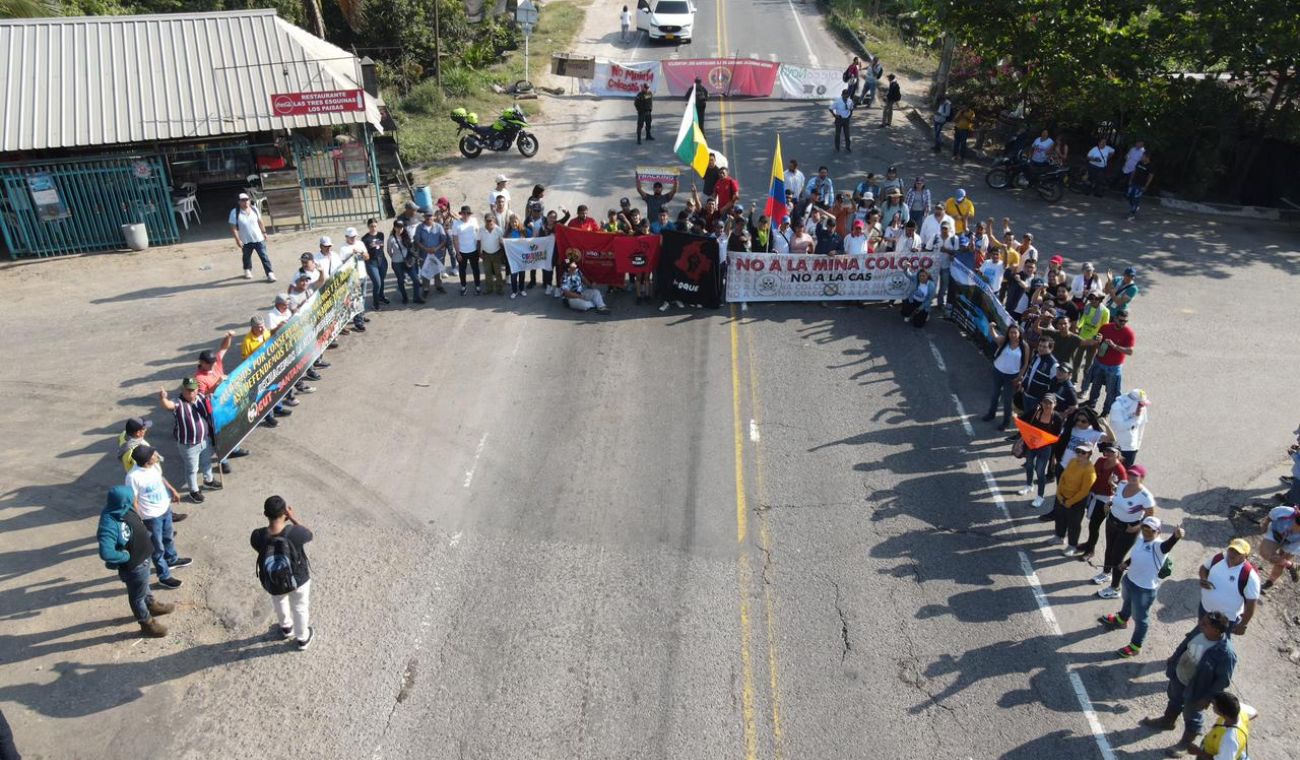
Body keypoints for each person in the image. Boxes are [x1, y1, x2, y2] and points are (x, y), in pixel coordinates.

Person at [1140, 612, 1237, 756]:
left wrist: (1207, 698)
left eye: (1205, 624)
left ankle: (1185, 744)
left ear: (1217, 631)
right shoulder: (1200, 631)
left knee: (1192, 714)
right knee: (1174, 698)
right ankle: (1168, 721)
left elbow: (1223, 680)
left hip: (1197, 689)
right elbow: (1185, 643)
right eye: (1202, 621)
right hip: (1180, 676)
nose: (1200, 625)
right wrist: (1174, 657)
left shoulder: (1225, 653)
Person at [1100, 517, 1185, 658]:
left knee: (1140, 619)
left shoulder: (1159, 546)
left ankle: (1135, 646)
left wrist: (1176, 537)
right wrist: (1126, 564)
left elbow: (1169, 544)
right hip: (1130, 580)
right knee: (1127, 602)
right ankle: (1121, 620)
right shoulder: (1140, 538)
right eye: (1144, 527)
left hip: (1144, 590)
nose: (1146, 531)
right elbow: (1136, 555)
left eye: (1150, 530)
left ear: (1157, 531)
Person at [97, 485, 173, 637]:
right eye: (133, 498)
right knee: (137, 597)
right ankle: (146, 623)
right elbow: (106, 552)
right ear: (124, 501)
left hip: (144, 558)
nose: (135, 499)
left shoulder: (124, 508)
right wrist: (125, 557)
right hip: (134, 566)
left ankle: (151, 605)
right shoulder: (109, 523)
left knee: (144, 586)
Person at [251, 495, 315, 650]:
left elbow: (259, 549)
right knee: (300, 606)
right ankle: (302, 638)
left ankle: (286, 628)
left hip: (274, 580)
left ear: (265, 514)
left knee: (279, 601)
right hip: (298, 579)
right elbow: (309, 534)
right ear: (285, 513)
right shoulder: (295, 533)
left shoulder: (257, 535)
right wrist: (293, 519)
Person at [124, 445, 189, 589]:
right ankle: (164, 576)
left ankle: (172, 559)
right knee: (157, 548)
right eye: (152, 454)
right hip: (151, 517)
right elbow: (133, 499)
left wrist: (172, 490)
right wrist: (138, 519)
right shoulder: (133, 477)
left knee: (168, 538)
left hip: (165, 510)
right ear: (147, 461)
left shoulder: (153, 466)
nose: (156, 455)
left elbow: (161, 478)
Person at [1096, 464, 1156, 596]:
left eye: (1135, 475)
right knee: (1109, 549)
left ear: (1142, 478)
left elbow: (1150, 516)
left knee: (1118, 557)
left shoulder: (1145, 496)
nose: (1131, 477)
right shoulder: (1123, 484)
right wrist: (1110, 501)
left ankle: (1114, 588)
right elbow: (1117, 495)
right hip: (1112, 521)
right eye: (1130, 474)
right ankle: (1106, 573)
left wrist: (1137, 527)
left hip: (1128, 529)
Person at [158, 378, 219, 503]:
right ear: (183, 390)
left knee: (207, 462)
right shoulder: (178, 403)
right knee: (192, 469)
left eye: (193, 390)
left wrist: (218, 384)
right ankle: (193, 491)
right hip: (189, 445)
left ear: (197, 389)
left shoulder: (200, 397)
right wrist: (163, 398)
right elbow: (168, 405)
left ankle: (209, 481)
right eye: (188, 390)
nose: (191, 393)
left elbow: (209, 393)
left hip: (204, 440)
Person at [1198, 539, 1260, 635]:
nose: (1232, 554)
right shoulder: (1219, 558)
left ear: (1245, 556)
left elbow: (1251, 604)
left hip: (1225, 620)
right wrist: (1203, 578)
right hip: (1205, 608)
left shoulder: (1249, 575)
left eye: (1238, 552)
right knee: (1201, 629)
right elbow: (1204, 568)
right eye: (1231, 550)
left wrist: (1243, 624)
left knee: (1217, 643)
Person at [1079, 441, 1127, 560]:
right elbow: (1092, 475)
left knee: (1094, 525)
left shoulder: (1120, 470)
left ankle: (1090, 550)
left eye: (1112, 452)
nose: (1109, 453)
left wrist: (1112, 485)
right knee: (1091, 524)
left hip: (1105, 499)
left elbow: (1123, 491)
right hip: (1093, 494)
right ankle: (1089, 543)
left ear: (1118, 454)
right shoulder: (1100, 461)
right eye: (1107, 451)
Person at [1083, 309, 1135, 415]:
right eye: (1121, 320)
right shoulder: (1105, 328)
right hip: (1099, 362)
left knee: (1111, 392)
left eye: (1125, 321)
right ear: (1115, 318)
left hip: (1114, 367)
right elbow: (1097, 343)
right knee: (1095, 386)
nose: (1123, 323)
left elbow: (1130, 351)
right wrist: (1097, 341)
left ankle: (1105, 412)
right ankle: (1091, 405)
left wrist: (1114, 346)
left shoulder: (1128, 333)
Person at [1017, 394, 1064, 507]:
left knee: (1040, 471)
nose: (1047, 405)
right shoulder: (1036, 411)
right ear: (1041, 403)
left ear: (1055, 404)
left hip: (1045, 448)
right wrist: (1022, 437)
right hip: (1032, 444)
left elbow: (1057, 437)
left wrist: (1054, 457)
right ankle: (1029, 485)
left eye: (1050, 403)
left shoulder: (1057, 418)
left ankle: (1040, 496)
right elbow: (1023, 422)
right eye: (1045, 402)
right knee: (1029, 465)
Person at [1055, 443, 1098, 554]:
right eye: (1078, 451)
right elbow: (1062, 477)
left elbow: (1084, 491)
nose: (1079, 454)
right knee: (1060, 517)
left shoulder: (1090, 471)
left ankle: (1072, 545)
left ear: (1089, 454)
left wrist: (1070, 502)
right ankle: (1059, 537)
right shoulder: (1072, 461)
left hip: (1076, 501)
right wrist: (1059, 494)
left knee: (1073, 524)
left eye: (1083, 452)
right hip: (1063, 496)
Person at [983, 323, 1025, 429]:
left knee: (1007, 400)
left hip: (1012, 377)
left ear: (1019, 333)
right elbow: (995, 337)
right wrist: (991, 327)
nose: (1013, 335)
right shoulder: (1004, 340)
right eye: (1011, 332)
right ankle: (991, 414)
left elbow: (1025, 364)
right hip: (998, 372)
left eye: (1015, 332)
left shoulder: (1024, 346)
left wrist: (1020, 377)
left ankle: (1006, 422)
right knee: (994, 395)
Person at [229, 192, 275, 282]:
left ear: (249, 201)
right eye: (243, 200)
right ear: (239, 202)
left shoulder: (254, 209)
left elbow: (260, 221)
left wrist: (264, 232)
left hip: (258, 238)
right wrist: (237, 240)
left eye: (247, 200)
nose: (245, 202)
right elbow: (233, 228)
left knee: (264, 256)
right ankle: (247, 269)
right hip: (245, 240)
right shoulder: (235, 212)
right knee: (246, 256)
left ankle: (270, 273)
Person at [1194, 692, 1253, 760]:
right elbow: (1255, 713)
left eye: (1214, 705)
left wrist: (1198, 752)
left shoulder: (1230, 740)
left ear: (1222, 713)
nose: (1212, 706)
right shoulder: (1239, 712)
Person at [1258, 504, 1300, 592]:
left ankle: (1270, 582)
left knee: (1279, 563)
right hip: (1275, 533)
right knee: (1265, 552)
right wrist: (1265, 524)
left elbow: (1295, 545)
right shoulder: (1287, 512)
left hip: (1291, 543)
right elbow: (1272, 514)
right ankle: (1291, 565)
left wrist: (1282, 558)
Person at [1018, 334, 1058, 415]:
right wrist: (1022, 384)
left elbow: (1054, 385)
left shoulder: (1053, 364)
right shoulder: (1036, 356)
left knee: (1033, 419)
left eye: (1044, 347)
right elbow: (1029, 372)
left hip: (1037, 399)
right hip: (1026, 394)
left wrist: (1045, 401)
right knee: (1025, 416)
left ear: (1051, 348)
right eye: (1040, 345)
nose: (1041, 348)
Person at [1108, 389, 1149, 466]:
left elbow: (1141, 427)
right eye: (1140, 405)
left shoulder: (1141, 408)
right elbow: (1120, 427)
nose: (1142, 408)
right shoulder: (1117, 408)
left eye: (1143, 405)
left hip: (1131, 448)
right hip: (1116, 446)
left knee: (1125, 473)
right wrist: (1135, 419)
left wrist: (1137, 445)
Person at [387, 220, 424, 304]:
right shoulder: (391, 239)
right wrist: (394, 257)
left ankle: (416, 297)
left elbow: (411, 248)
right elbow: (389, 251)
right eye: (398, 227)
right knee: (401, 281)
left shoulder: (407, 236)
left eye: (401, 227)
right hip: (397, 263)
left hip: (408, 261)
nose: (400, 229)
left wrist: (414, 257)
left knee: (416, 280)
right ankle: (404, 297)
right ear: (394, 227)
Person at [413, 210, 448, 295]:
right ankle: (426, 288)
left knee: (437, 271)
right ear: (424, 217)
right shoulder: (419, 228)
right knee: (425, 272)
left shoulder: (439, 227)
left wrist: (436, 248)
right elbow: (417, 241)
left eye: (430, 216)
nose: (428, 218)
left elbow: (444, 240)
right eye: (427, 216)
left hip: (437, 253)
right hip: (424, 254)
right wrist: (425, 249)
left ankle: (439, 286)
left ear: (434, 217)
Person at [452, 205, 482, 295]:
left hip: (474, 250)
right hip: (462, 251)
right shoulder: (456, 223)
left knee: (475, 269)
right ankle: (463, 286)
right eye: (464, 213)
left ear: (470, 214)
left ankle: (477, 285)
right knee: (462, 270)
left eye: (468, 213)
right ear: (461, 214)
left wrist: (479, 248)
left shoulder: (474, 221)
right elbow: (455, 239)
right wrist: (457, 253)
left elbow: (478, 233)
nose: (466, 215)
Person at [361, 218, 388, 310]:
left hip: (382, 260)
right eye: (371, 226)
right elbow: (364, 252)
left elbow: (381, 246)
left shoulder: (381, 235)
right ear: (368, 227)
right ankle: (375, 304)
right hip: (371, 263)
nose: (373, 228)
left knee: (382, 280)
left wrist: (373, 244)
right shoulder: (365, 239)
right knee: (377, 283)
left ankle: (381, 297)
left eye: (375, 226)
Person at [898, 263, 936, 328]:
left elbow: (929, 300)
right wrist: (906, 268)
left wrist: (920, 308)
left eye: (924, 276)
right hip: (913, 300)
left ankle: (925, 315)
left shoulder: (931, 286)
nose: (921, 278)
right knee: (904, 312)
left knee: (918, 325)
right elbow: (908, 274)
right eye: (920, 276)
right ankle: (909, 314)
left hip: (923, 304)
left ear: (927, 276)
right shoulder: (915, 278)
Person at [479, 213, 507, 296]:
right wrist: (479, 253)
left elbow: (502, 243)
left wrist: (502, 254)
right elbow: (478, 241)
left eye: (490, 220)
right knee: (488, 273)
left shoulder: (499, 230)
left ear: (494, 220)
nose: (489, 222)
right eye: (487, 221)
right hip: (486, 254)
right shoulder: (481, 229)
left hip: (497, 254)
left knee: (498, 272)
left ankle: (499, 289)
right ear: (485, 221)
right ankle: (489, 289)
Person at [1126, 152, 1154, 219]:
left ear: (1147, 158)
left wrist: (1146, 186)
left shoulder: (1150, 166)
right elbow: (1134, 171)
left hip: (1141, 185)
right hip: (1134, 182)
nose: (1141, 157)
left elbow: (1150, 177)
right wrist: (1130, 180)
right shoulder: (1139, 163)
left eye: (1143, 156)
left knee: (1136, 198)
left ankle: (1132, 214)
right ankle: (1135, 206)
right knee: (1129, 195)